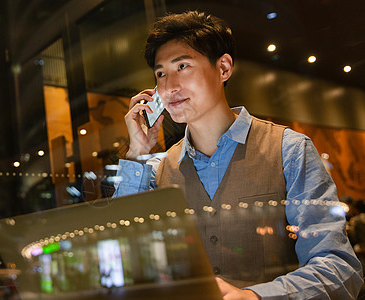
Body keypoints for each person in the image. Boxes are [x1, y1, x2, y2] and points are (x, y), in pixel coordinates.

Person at [113, 10, 364, 299]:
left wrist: (256, 297)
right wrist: (138, 151)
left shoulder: (289, 149)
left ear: (223, 69)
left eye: (182, 66)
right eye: (160, 73)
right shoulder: (156, 167)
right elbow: (123, 255)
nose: (169, 86)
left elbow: (339, 267)